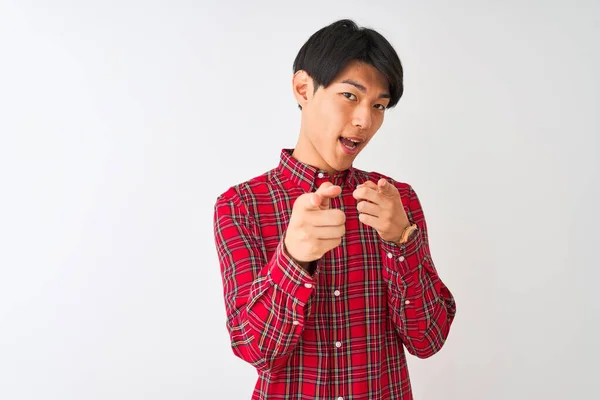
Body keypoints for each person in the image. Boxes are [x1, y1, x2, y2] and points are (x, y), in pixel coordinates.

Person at [213, 18, 456, 400]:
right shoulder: (242, 205)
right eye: (350, 96)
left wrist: (401, 241)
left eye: (379, 105)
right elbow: (255, 349)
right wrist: (292, 260)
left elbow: (428, 339)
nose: (365, 120)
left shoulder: (397, 201)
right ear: (303, 88)